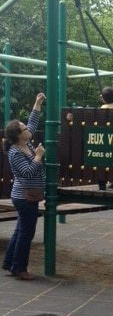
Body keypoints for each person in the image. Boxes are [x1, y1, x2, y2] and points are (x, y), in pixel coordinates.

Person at [2, 93, 46, 280]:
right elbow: (26, 174)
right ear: (19, 135)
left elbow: (32, 123)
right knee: (27, 233)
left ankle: (9, 262)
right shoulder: (15, 152)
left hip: (27, 195)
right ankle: (19, 268)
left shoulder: (24, 143)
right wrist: (38, 157)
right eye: (24, 128)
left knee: (21, 230)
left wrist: (37, 103)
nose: (28, 129)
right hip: (25, 196)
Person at [98, 86, 113, 190]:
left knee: (100, 157)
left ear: (103, 99)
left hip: (103, 145)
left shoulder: (100, 112)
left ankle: (102, 183)